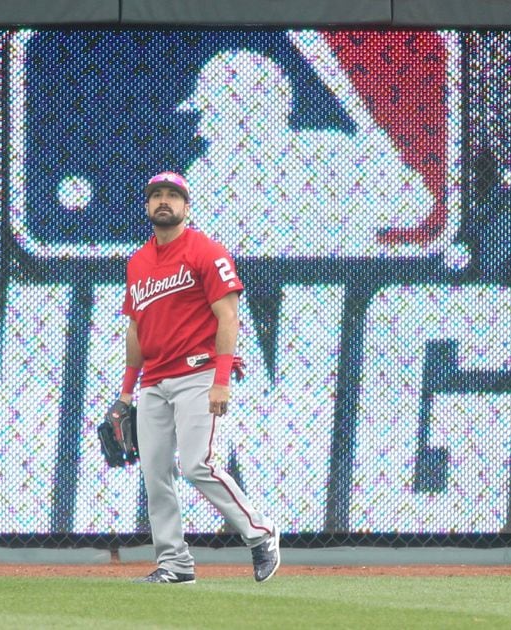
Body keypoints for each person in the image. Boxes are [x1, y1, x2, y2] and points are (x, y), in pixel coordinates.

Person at [118, 170, 280, 584]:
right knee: (155, 474)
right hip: (153, 381)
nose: (164, 202)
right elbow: (136, 329)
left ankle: (260, 535)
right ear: (147, 206)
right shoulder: (138, 262)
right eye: (156, 195)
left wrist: (221, 379)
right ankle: (174, 563)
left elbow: (228, 315)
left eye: (173, 195)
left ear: (187, 207)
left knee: (196, 464)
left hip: (197, 373)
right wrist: (125, 393)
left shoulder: (207, 252)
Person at [178, 50, 434, 259]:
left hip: (335, 294)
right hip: (237, 307)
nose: (202, 128)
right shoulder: (205, 175)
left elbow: (418, 204)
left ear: (249, 114)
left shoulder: (331, 155)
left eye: (212, 113)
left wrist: (337, 216)